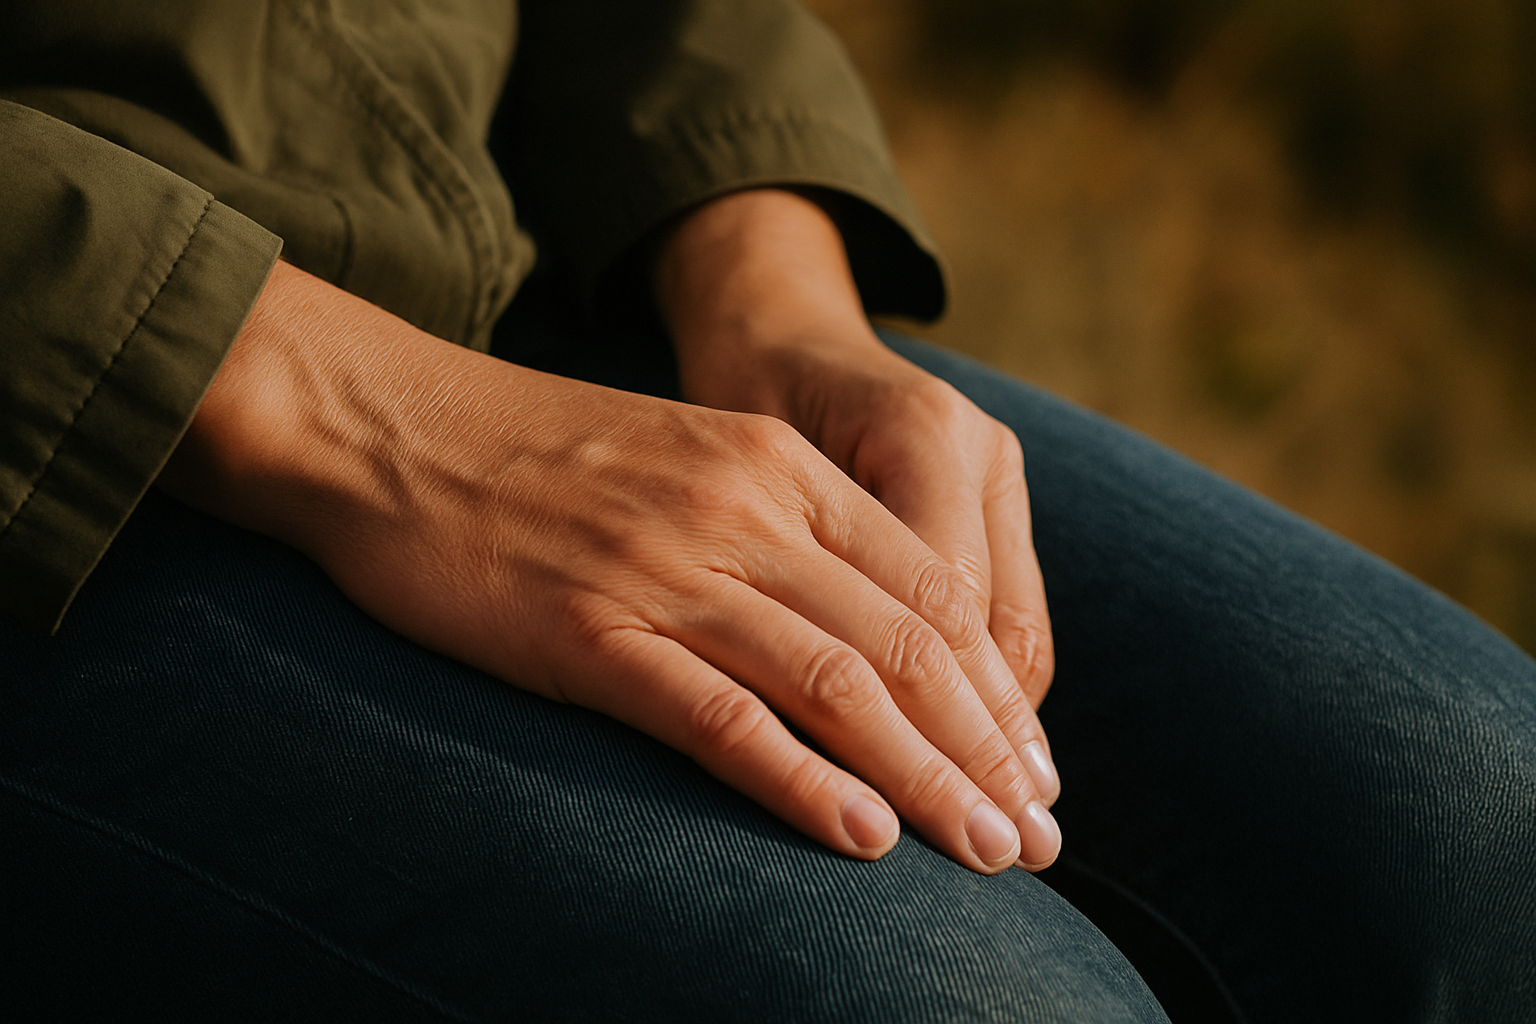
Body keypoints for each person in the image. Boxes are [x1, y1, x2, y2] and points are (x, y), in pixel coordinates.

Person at [2, 1, 1533, 1020]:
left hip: (519, 278)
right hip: (68, 444)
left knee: (1478, 810)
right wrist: (372, 418)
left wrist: (769, 283)